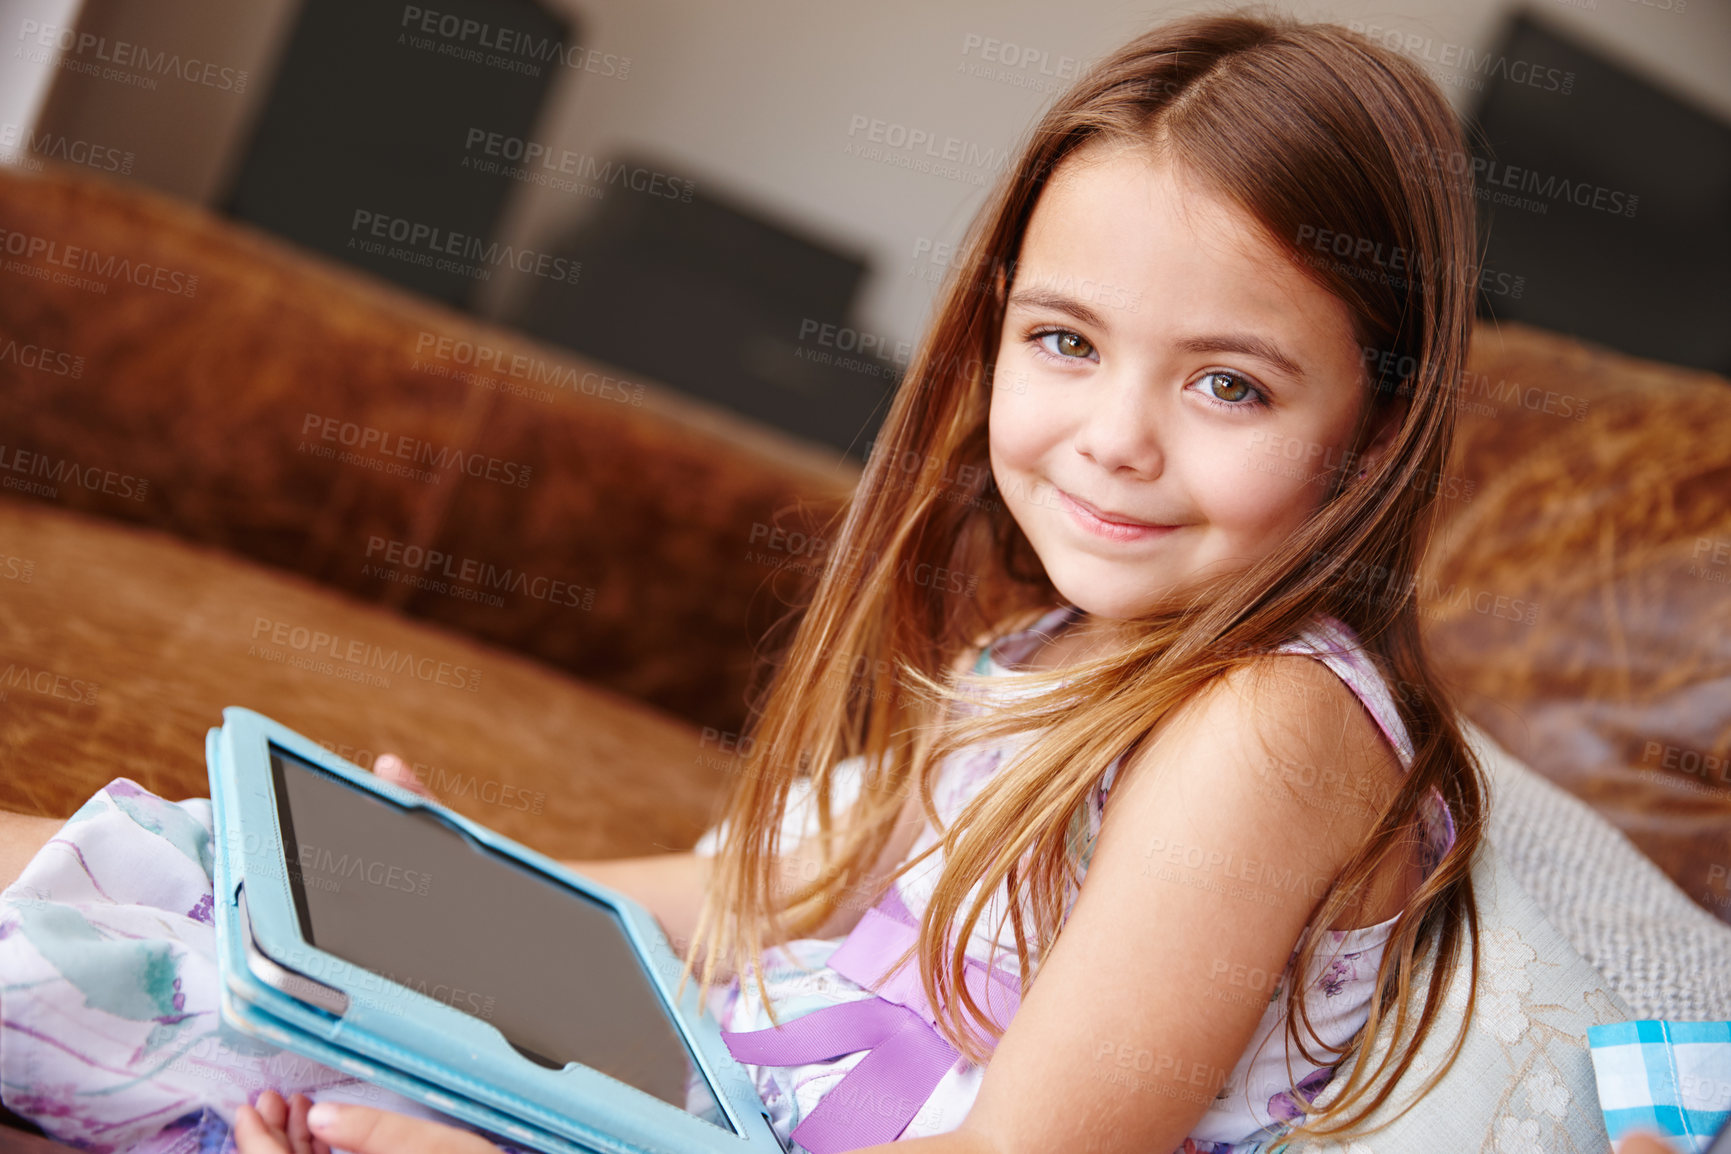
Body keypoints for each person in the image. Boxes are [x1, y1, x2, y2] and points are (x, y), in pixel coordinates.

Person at [2, 11, 1506, 1154]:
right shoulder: (1063, 648)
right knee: (194, 872)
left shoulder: (1271, 727)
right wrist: (435, 906)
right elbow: (755, 888)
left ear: (1376, 430)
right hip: (666, 1093)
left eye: (1230, 386)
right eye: (1065, 341)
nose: (1114, 440)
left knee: (148, 973)